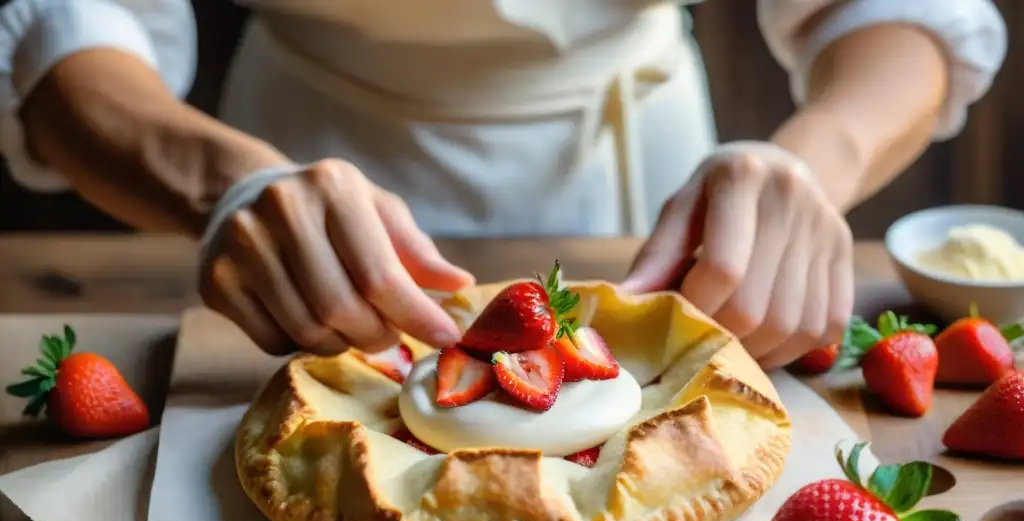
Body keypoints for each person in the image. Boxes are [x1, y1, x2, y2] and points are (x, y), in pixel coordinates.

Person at [0, 1, 1007, 369]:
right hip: (297, 171)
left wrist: (811, 164)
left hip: (647, 194)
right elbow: (67, 31)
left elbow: (888, 13)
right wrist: (226, 184)